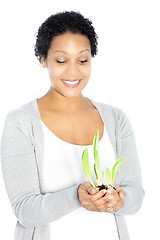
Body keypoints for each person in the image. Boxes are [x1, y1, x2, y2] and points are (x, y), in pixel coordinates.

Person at [0, 11, 144, 240]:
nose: (73, 71)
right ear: (43, 59)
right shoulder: (21, 122)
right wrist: (77, 196)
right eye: (61, 60)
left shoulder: (116, 119)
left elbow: (135, 197)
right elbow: (24, 210)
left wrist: (119, 199)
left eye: (83, 60)